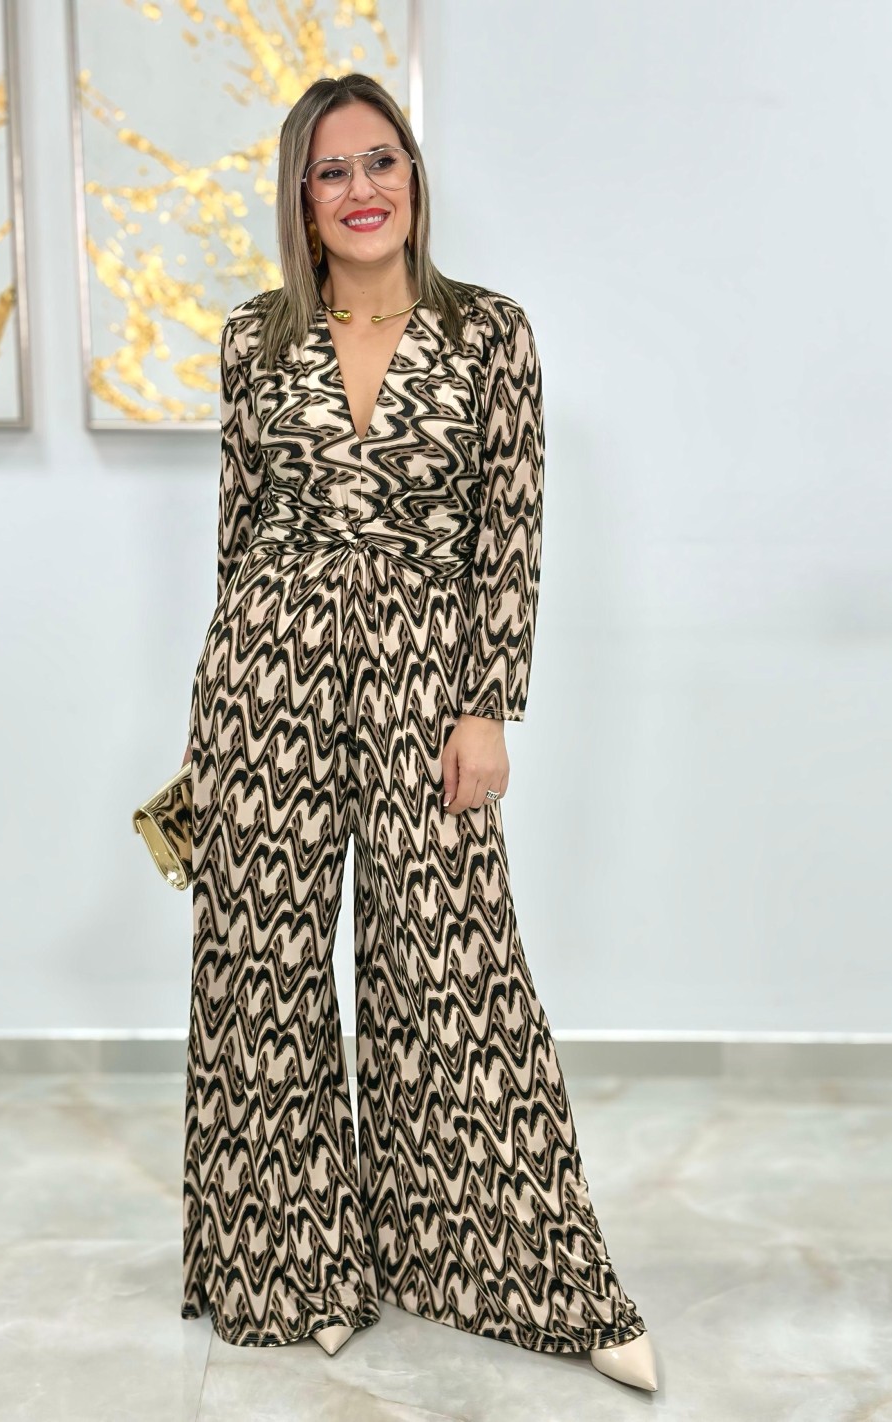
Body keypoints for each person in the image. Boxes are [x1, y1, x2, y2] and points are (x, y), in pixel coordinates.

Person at [180, 73, 657, 1394]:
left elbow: (510, 533)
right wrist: (210, 725)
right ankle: (293, 1270)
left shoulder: (489, 333)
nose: (362, 188)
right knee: (262, 968)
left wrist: (487, 703)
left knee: (456, 967)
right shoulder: (254, 337)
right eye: (332, 169)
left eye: (381, 160)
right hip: (267, 671)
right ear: (301, 195)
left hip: (426, 680)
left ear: (413, 176)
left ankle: (538, 1277)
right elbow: (237, 540)